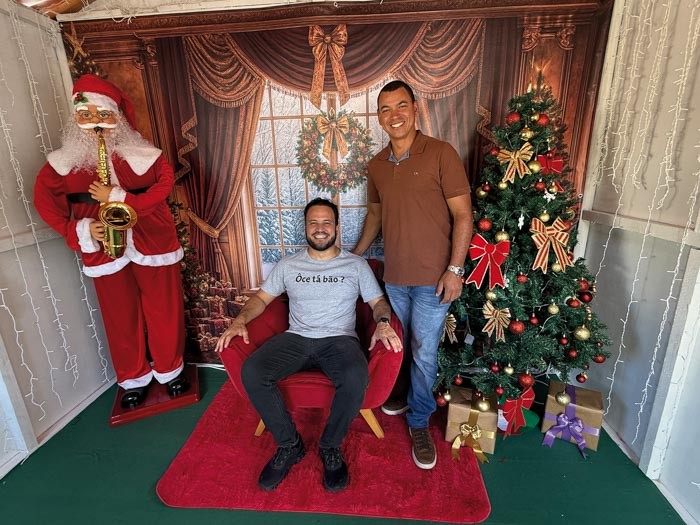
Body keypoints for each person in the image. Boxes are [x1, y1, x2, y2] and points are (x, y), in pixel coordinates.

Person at [215, 198, 402, 492]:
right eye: (313, 222)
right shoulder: (289, 265)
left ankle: (330, 446)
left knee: (355, 376)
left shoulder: (356, 265)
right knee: (253, 370)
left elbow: (378, 302)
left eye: (326, 222)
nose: (320, 228)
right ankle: (289, 444)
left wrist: (383, 323)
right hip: (297, 338)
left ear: (337, 228)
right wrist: (239, 321)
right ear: (305, 227)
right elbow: (261, 299)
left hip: (340, 339)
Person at [33, 74, 188, 409]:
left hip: (153, 240)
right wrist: (79, 229)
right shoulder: (63, 162)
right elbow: (44, 202)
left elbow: (164, 185)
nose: (96, 124)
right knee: (119, 316)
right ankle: (133, 378)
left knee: (164, 308)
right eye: (86, 116)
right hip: (103, 246)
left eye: (103, 115)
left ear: (117, 117)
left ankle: (171, 370)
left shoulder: (145, 153)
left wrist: (120, 197)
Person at [353, 80, 472, 470]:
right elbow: (375, 216)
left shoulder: (440, 153)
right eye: (386, 109)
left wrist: (455, 270)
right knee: (400, 347)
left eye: (401, 106)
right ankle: (403, 396)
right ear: (379, 117)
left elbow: (463, 216)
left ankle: (419, 421)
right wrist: (353, 257)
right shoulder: (377, 165)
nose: (394, 115)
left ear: (415, 109)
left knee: (423, 352)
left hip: (434, 280)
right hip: (395, 279)